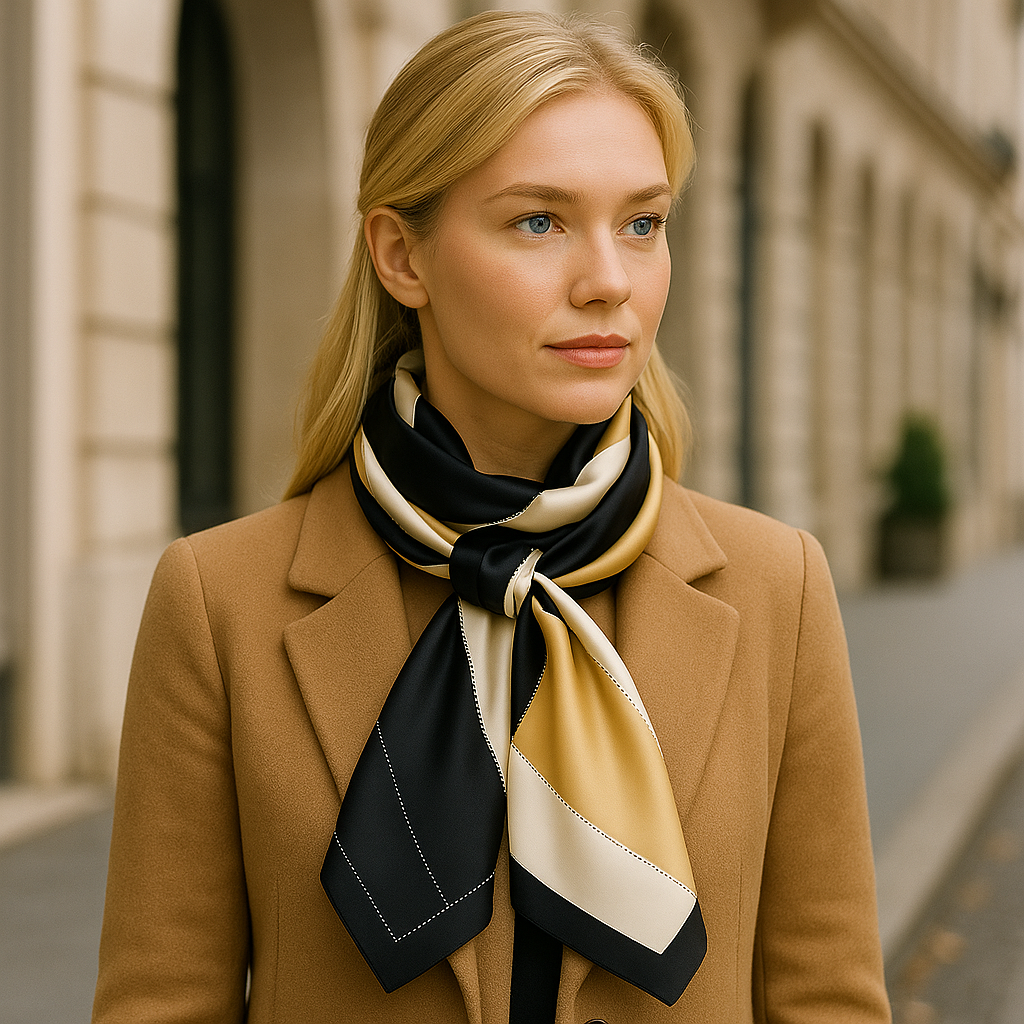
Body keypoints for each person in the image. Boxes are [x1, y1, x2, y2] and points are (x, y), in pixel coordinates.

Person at [92, 10, 892, 1024]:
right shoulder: (220, 604)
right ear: (402, 256)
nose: (609, 282)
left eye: (642, 223)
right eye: (539, 222)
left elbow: (827, 1001)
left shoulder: (779, 588)